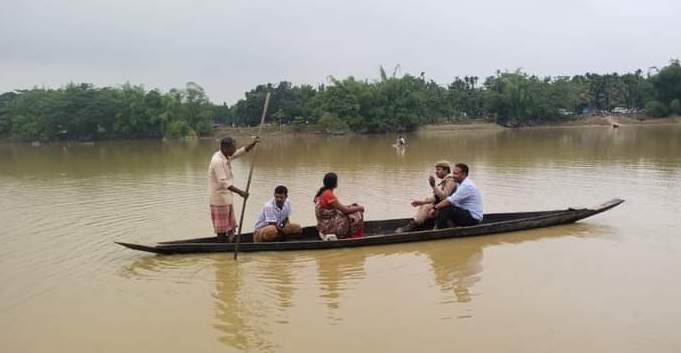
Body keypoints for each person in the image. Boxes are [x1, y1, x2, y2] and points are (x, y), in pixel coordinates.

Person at [208, 136, 259, 241]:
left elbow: (239, 152)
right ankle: (222, 247)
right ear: (225, 148)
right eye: (233, 148)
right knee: (222, 230)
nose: (234, 150)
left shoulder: (225, 156)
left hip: (227, 198)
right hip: (219, 200)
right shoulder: (217, 160)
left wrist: (252, 144)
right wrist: (241, 192)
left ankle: (227, 247)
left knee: (229, 227)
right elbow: (223, 182)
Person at [396, 160, 457, 232]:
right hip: (444, 206)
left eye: (438, 170)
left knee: (426, 207)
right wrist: (421, 202)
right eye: (436, 170)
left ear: (446, 170)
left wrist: (433, 186)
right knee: (424, 205)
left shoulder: (451, 180)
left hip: (450, 208)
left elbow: (444, 197)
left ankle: (413, 225)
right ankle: (415, 223)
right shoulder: (445, 180)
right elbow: (437, 197)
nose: (436, 172)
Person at [313, 172, 365, 239]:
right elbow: (345, 211)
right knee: (358, 214)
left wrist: (354, 206)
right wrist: (360, 208)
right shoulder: (328, 194)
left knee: (354, 206)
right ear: (335, 183)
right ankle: (357, 237)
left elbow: (339, 207)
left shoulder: (323, 192)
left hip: (324, 224)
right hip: (328, 226)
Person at [432, 163, 483, 228]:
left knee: (445, 209)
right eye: (453, 173)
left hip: (474, 218)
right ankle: (448, 227)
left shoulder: (466, 186)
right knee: (442, 206)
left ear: (464, 174)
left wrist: (435, 208)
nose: (453, 176)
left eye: (456, 174)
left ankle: (441, 232)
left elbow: (449, 201)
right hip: (466, 213)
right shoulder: (460, 183)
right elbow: (451, 200)